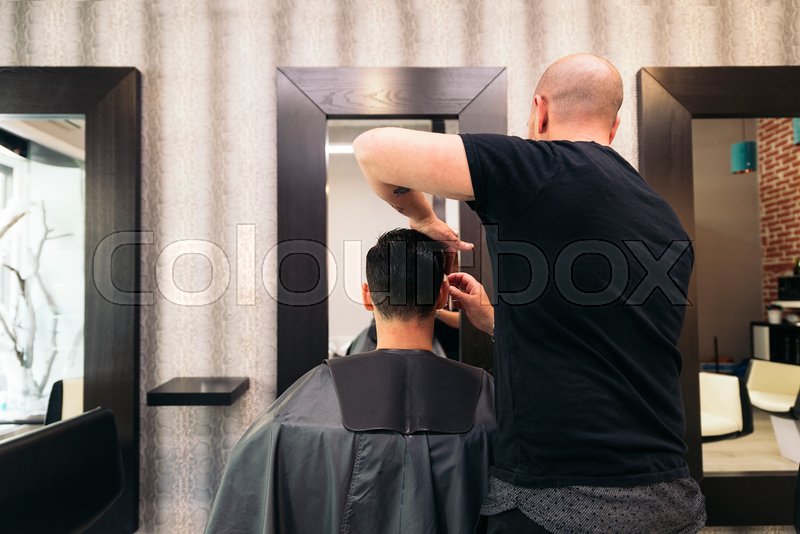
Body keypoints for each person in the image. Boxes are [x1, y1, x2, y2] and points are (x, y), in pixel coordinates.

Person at [353, 53, 706, 533]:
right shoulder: (665, 222)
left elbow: (373, 150)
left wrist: (423, 219)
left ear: (540, 111)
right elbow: (603, 340)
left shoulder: (538, 167)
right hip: (667, 498)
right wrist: (493, 319)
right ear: (615, 125)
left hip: (558, 503)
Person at [205, 229, 496, 534]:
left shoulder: (295, 415)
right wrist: (493, 322)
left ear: (368, 297)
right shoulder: (486, 398)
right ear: (442, 296)